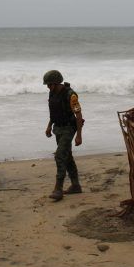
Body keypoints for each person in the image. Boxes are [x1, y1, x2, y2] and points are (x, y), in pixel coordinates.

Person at [43, 70, 84, 201]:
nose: (48, 87)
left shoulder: (71, 95)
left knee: (60, 155)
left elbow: (78, 115)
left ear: (56, 83)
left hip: (69, 128)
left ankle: (58, 188)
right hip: (58, 128)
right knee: (67, 156)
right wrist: (49, 126)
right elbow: (53, 112)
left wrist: (79, 135)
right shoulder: (52, 93)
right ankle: (75, 185)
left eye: (49, 84)